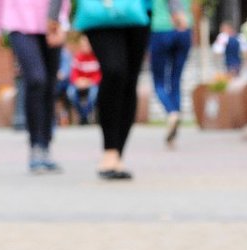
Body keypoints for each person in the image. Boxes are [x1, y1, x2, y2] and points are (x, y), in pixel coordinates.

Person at [51, 0, 150, 180]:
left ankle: (117, 153)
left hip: (139, 8)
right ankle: (109, 149)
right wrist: (54, 15)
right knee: (114, 71)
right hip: (98, 9)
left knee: (129, 80)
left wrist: (174, 7)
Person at [0, 0, 70, 173]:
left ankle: (45, 145)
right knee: (36, 80)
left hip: (51, 22)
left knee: (49, 86)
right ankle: (36, 146)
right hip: (19, 23)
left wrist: (62, 22)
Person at [148, 0, 191, 147]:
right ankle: (173, 132)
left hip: (161, 29)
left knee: (158, 82)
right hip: (184, 30)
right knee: (176, 81)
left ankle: (172, 112)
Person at [67, 33, 100, 125]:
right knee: (71, 93)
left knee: (94, 94)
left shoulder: (97, 57)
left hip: (92, 84)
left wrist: (89, 82)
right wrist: (78, 81)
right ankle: (83, 115)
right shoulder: (77, 58)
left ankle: (85, 115)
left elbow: (99, 75)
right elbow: (73, 74)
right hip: (79, 83)